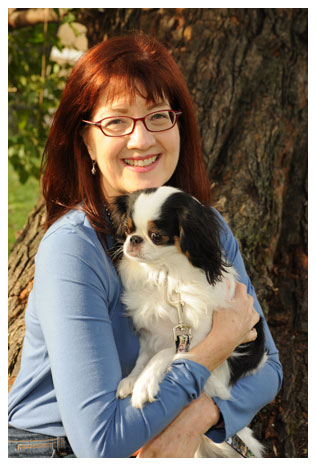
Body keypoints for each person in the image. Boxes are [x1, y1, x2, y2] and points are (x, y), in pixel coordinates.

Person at [8, 33, 282, 458]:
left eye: (157, 116)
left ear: (179, 126)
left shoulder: (207, 228)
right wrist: (213, 348)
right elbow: (101, 443)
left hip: (168, 433)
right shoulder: (74, 249)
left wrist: (198, 417)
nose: (141, 139)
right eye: (116, 121)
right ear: (86, 141)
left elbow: (268, 370)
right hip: (53, 450)